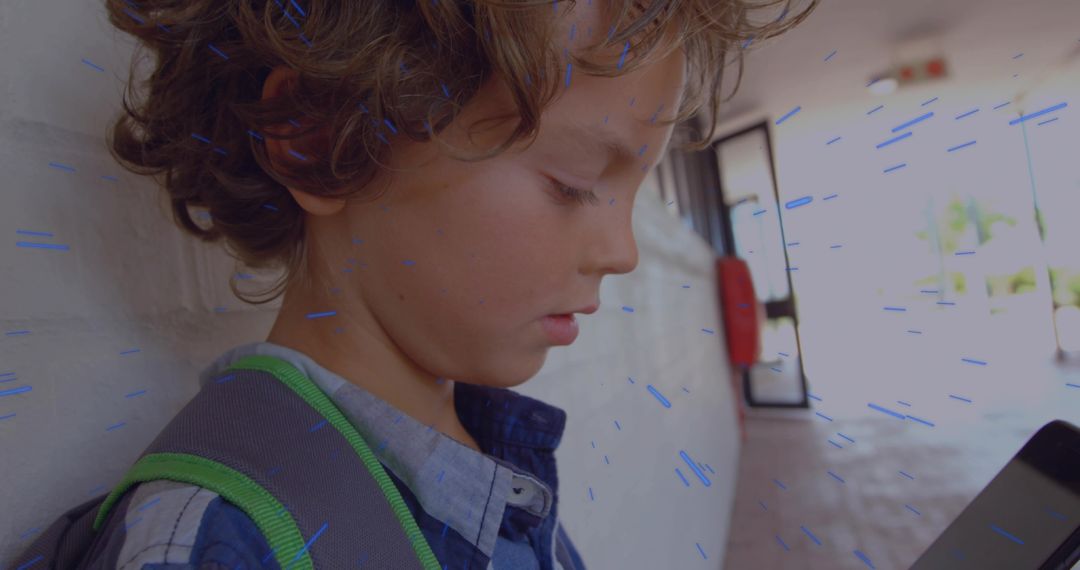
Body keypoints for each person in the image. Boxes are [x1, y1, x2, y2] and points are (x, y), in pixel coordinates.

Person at [67, 0, 817, 568]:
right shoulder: (221, 544)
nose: (622, 253)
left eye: (634, 191)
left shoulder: (491, 457)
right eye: (573, 183)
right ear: (318, 139)